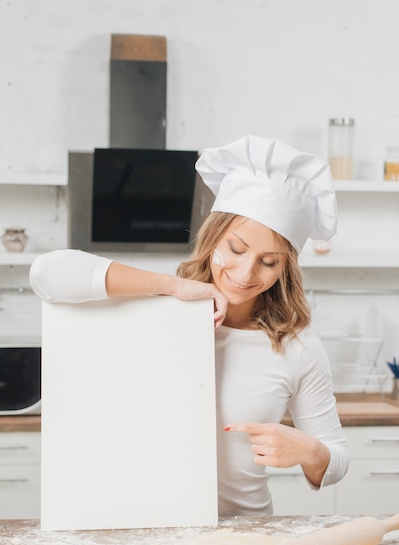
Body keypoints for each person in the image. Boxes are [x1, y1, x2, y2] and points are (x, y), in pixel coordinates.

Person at [30, 135, 348, 517]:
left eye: (269, 262)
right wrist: (174, 286)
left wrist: (310, 451)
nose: (246, 273)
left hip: (244, 535)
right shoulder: (156, 308)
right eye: (235, 248)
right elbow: (47, 274)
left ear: (286, 268)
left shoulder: (296, 346)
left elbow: (335, 462)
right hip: (144, 529)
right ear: (212, 237)